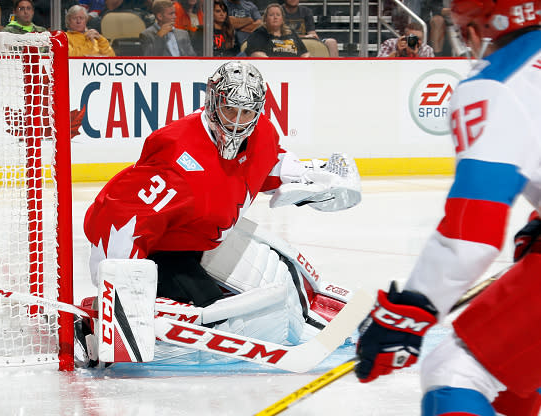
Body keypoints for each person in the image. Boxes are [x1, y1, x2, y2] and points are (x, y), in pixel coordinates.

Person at [76, 61, 362, 368]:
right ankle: (90, 322)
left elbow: (270, 163)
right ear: (213, 102)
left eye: (248, 113)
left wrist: (316, 179)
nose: (238, 122)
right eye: (230, 110)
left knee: (282, 273)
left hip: (206, 240)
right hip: (161, 254)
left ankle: (322, 313)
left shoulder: (262, 132)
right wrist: (122, 290)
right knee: (228, 327)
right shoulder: (176, 151)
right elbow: (123, 218)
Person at [355, 0, 541, 413]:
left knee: (455, 373)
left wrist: (409, 312)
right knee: (517, 368)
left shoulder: (499, 83)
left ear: (474, 31)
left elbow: (471, 234)